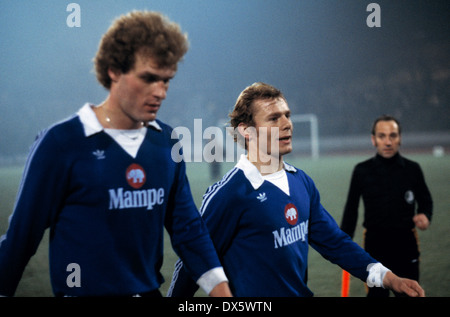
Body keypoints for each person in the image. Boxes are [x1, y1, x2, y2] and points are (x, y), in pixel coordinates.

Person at [0, 11, 231, 297]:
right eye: (148, 78)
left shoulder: (167, 141)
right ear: (114, 71)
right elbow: (22, 239)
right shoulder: (61, 143)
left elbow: (187, 228)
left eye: (166, 80)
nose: (161, 92)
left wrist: (221, 291)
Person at [168, 82, 425, 297]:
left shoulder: (301, 181)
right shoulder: (230, 194)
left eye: (287, 115)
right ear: (246, 131)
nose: (287, 123)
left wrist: (389, 278)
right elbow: (194, 260)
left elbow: (335, 242)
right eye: (273, 118)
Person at [340, 115, 432, 297]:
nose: (388, 142)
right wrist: (343, 241)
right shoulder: (361, 171)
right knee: (376, 296)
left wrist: (425, 215)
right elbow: (351, 209)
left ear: (400, 138)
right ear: (373, 140)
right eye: (382, 136)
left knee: (409, 293)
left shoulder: (413, 169)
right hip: (375, 246)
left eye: (393, 136)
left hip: (406, 244)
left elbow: (426, 200)